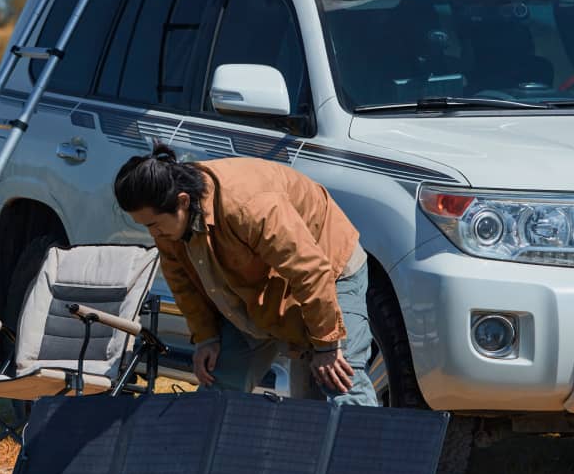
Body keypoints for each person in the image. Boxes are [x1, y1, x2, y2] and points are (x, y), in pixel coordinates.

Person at [114, 144, 379, 407]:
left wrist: (327, 345)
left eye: (153, 225)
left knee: (340, 386)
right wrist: (207, 337)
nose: (152, 234)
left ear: (183, 201)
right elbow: (182, 284)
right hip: (256, 286)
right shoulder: (168, 222)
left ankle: (367, 447)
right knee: (218, 387)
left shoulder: (248, 205)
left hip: (328, 271)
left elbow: (310, 271)